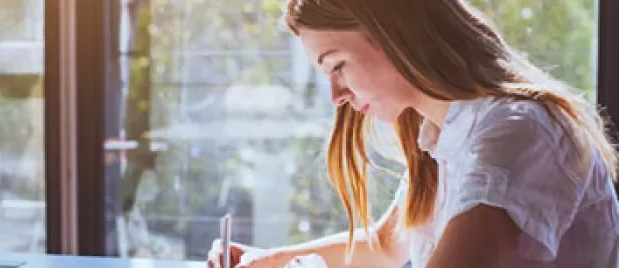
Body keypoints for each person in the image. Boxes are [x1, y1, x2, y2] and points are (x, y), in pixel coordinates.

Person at [206, 0, 619, 267]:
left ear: (394, 36)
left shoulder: (517, 135)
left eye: (337, 65)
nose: (336, 94)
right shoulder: (444, 137)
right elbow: (386, 247)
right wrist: (266, 260)